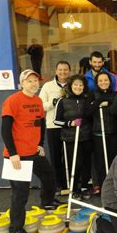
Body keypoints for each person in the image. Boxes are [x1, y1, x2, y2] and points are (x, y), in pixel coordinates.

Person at [1, 69, 61, 233]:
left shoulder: (37, 100)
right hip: (17, 156)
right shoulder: (12, 101)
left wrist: (40, 145)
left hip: (33, 152)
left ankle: (47, 202)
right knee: (20, 194)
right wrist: (13, 154)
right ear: (22, 84)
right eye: (29, 81)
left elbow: (40, 123)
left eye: (36, 81)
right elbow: (5, 129)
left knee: (49, 176)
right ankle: (15, 230)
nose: (34, 84)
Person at [53, 75, 93, 200]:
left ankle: (85, 187)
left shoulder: (87, 100)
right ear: (70, 86)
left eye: (81, 85)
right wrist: (70, 123)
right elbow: (56, 121)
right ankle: (74, 188)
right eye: (76, 84)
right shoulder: (62, 101)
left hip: (86, 136)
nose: (78, 87)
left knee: (87, 163)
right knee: (74, 163)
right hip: (70, 137)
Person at [85, 72, 117, 191]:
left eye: (106, 80)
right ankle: (102, 185)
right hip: (98, 132)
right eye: (100, 80)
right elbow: (88, 111)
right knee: (100, 160)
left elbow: (115, 109)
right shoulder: (92, 94)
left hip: (113, 132)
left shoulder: (116, 94)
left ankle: (115, 185)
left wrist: (108, 102)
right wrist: (99, 102)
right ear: (97, 83)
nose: (103, 82)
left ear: (110, 81)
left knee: (114, 159)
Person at [39, 61, 71, 192]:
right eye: (60, 70)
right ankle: (59, 184)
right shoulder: (47, 86)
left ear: (69, 71)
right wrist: (53, 102)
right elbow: (40, 106)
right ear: (56, 71)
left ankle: (70, 183)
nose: (63, 72)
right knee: (56, 157)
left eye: (65, 70)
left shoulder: (72, 85)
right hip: (53, 126)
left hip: (69, 126)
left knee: (69, 156)